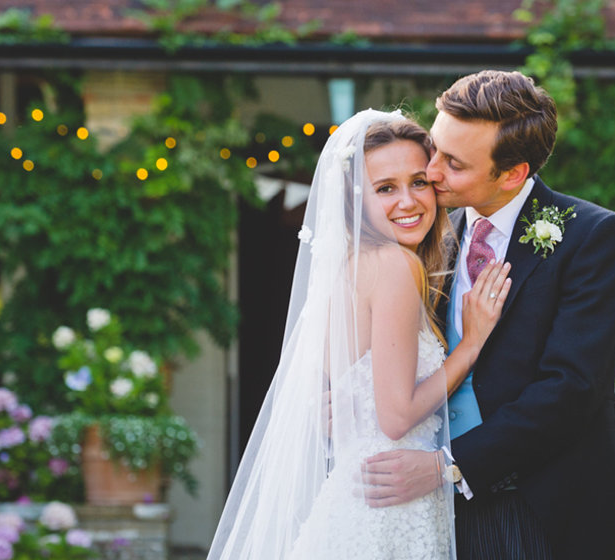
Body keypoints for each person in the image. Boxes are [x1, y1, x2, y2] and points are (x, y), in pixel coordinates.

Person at [206, 109, 512, 559]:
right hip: (386, 508)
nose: (408, 201)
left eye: (419, 182)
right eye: (385, 188)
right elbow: (395, 416)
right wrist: (470, 346)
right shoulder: (394, 265)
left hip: (364, 494)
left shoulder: (353, 268)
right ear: (355, 199)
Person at [363, 70, 615, 559]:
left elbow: (571, 387)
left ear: (513, 174)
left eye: (454, 163)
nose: (432, 171)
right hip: (432, 513)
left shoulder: (595, 238)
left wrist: (448, 466)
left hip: (540, 509)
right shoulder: (426, 236)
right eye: (435, 148)